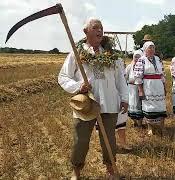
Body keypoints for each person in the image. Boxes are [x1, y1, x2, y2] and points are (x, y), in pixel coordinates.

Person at [58, 18, 128, 180]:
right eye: (95, 27)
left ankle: (111, 171)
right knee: (80, 139)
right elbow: (63, 77)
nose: (100, 30)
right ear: (86, 32)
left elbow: (120, 80)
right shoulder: (77, 54)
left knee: (109, 139)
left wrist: (124, 98)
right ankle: (76, 171)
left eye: (101, 28)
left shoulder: (113, 56)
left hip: (109, 102)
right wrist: (78, 86)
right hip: (86, 103)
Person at [134, 41, 167, 136]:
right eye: (150, 47)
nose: (152, 49)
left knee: (161, 105)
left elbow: (162, 74)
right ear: (145, 49)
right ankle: (150, 127)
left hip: (159, 86)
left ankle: (162, 126)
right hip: (148, 86)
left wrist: (164, 87)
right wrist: (140, 90)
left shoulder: (158, 59)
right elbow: (138, 76)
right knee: (149, 107)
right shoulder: (141, 60)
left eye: (153, 47)